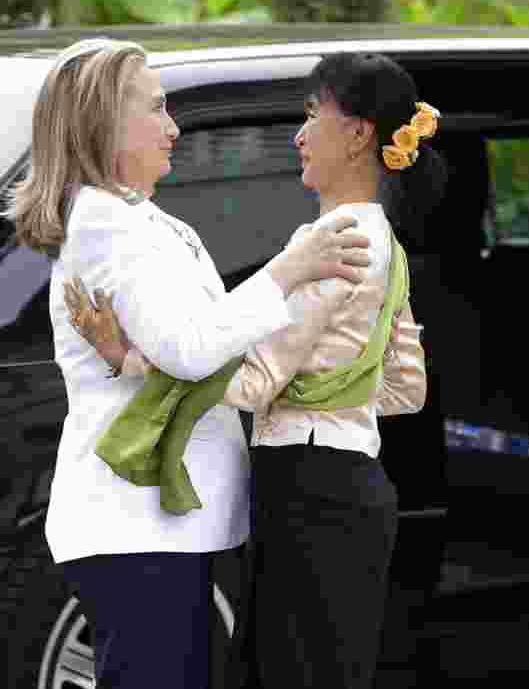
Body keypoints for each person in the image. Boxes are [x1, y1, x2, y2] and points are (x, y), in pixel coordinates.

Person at [2, 38, 371, 689]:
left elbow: (189, 345)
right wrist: (291, 269)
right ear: (105, 125)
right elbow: (196, 345)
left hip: (162, 531)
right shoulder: (109, 224)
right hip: (140, 531)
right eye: (156, 108)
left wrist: (131, 356)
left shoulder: (139, 219)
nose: (173, 127)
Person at [66, 51, 440, 689]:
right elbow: (407, 386)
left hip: (307, 483)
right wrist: (331, 396)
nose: (297, 135)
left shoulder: (327, 243)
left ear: (356, 135)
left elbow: (252, 381)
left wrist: (127, 357)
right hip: (357, 482)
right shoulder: (387, 243)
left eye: (312, 115)